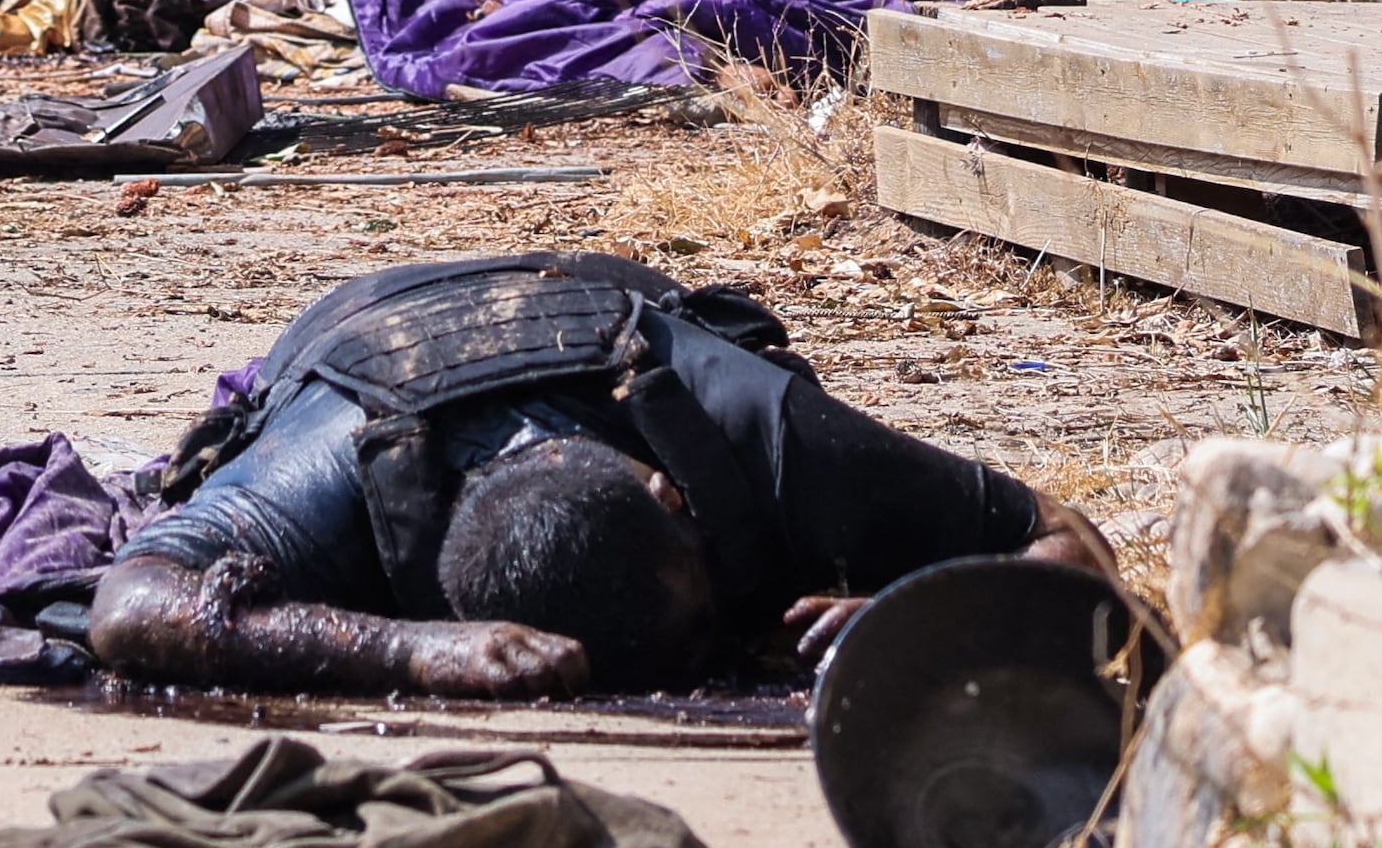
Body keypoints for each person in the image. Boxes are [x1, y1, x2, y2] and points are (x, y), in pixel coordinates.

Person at [86, 253, 1113, 699]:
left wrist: (930, 609)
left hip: (596, 298)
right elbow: (127, 609)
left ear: (674, 496)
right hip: (361, 334)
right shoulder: (334, 475)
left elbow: (1064, 538)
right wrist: (400, 654)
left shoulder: (750, 425)